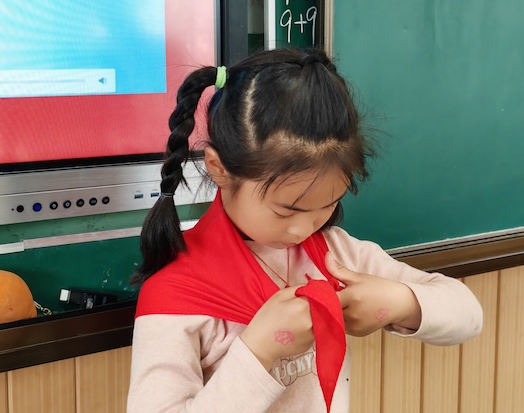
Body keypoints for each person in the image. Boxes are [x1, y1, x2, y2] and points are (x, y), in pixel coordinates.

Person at [127, 47, 483, 413]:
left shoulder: (336, 254)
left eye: (328, 205)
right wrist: (259, 351)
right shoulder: (176, 290)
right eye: (286, 210)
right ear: (219, 169)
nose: (303, 229)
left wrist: (400, 302)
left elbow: (468, 314)